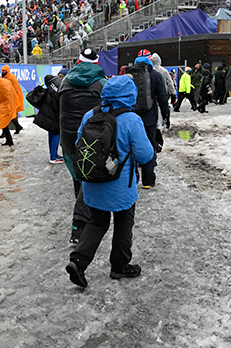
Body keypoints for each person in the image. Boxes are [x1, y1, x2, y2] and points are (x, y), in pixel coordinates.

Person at [65, 75, 155, 288]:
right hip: (121, 186)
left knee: (97, 222)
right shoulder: (131, 119)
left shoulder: (90, 114)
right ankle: (120, 265)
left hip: (93, 182)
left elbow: (80, 144)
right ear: (130, 95)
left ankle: (78, 261)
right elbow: (145, 155)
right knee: (124, 224)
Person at [59, 48, 107, 243]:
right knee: (88, 179)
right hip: (91, 139)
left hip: (68, 139)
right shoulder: (102, 84)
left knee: (78, 178)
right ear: (96, 63)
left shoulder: (64, 82)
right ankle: (80, 226)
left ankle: (83, 218)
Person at [131, 49, 170, 188]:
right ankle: (148, 180)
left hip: (132, 118)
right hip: (149, 118)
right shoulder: (156, 75)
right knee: (149, 146)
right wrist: (166, 115)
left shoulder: (129, 75)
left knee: (131, 146)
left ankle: (132, 178)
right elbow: (162, 98)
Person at [31, 74, 63, 163]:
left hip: (49, 115)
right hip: (54, 116)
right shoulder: (57, 87)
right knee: (56, 135)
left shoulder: (50, 87)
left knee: (52, 135)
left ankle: (54, 155)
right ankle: (53, 157)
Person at [0, 65, 25, 134]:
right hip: (5, 98)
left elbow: (16, 88)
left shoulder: (11, 77)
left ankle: (7, 131)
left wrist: (17, 98)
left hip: (11, 99)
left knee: (9, 115)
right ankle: (17, 127)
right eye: (2, 71)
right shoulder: (2, 78)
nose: (3, 72)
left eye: (4, 71)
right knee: (8, 116)